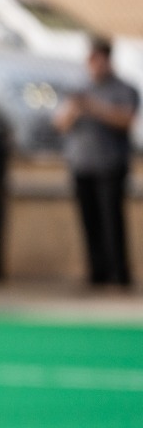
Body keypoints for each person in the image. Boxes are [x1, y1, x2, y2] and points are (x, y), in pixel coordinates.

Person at [55, 36, 138, 289]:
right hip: (82, 165)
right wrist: (74, 109)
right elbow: (59, 124)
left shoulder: (123, 89)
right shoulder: (80, 89)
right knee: (89, 221)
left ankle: (119, 274)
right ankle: (97, 273)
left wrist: (95, 109)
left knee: (112, 221)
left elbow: (127, 120)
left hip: (110, 165)